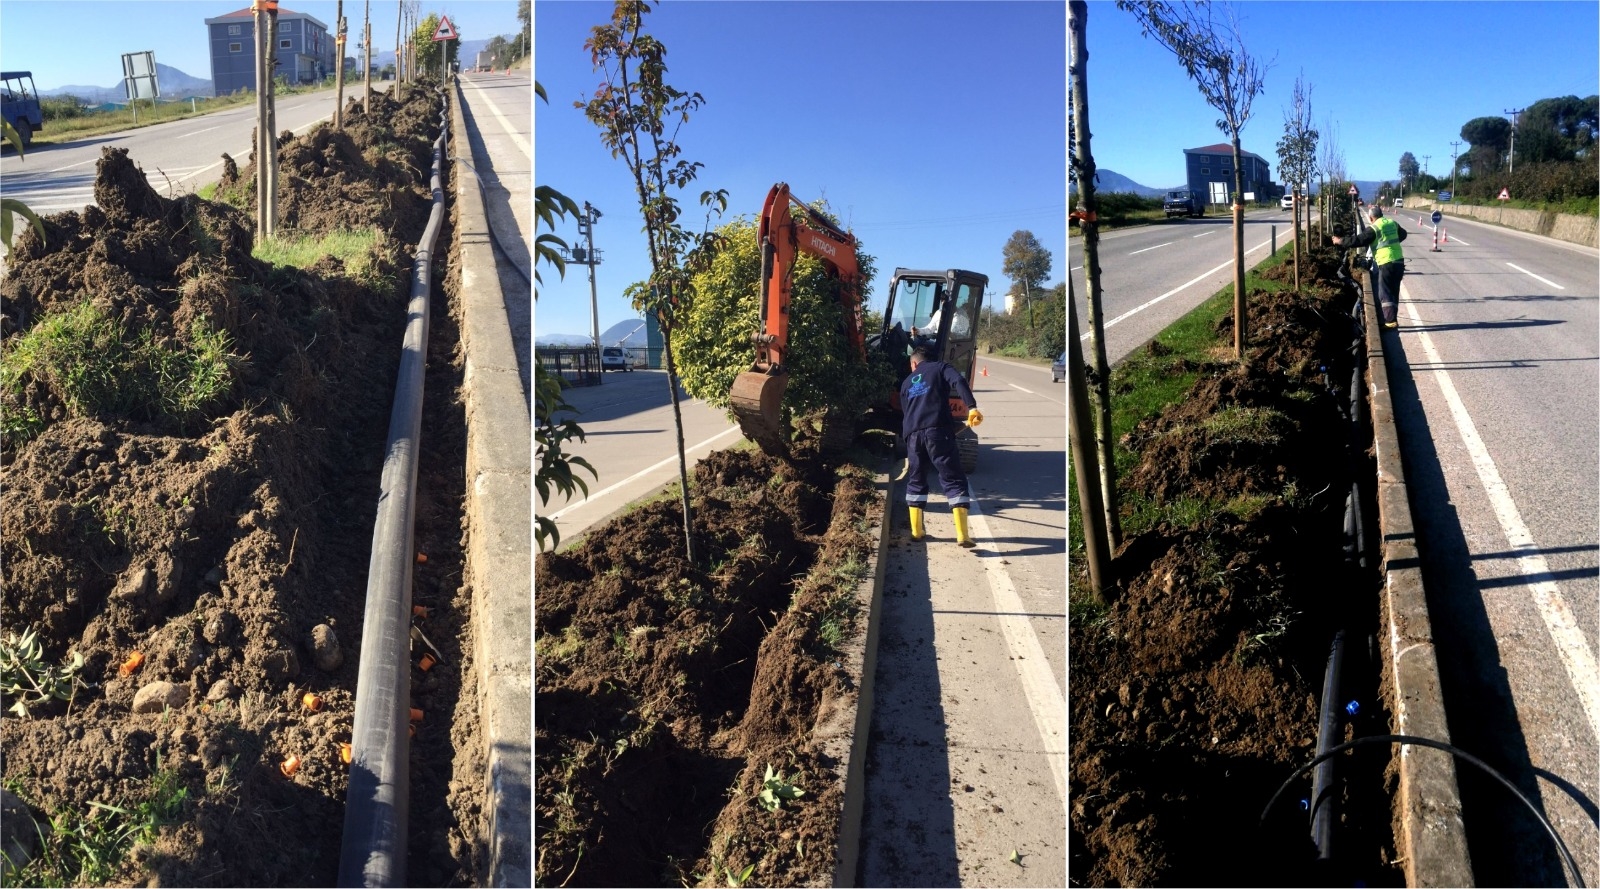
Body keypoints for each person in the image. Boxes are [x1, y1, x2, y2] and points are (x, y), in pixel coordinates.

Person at [900, 347, 983, 547]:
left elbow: (907, 412)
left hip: (912, 436)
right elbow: (958, 381)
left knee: (916, 479)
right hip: (938, 431)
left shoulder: (905, 383)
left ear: (913, 364)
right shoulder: (940, 367)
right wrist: (971, 407)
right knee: (953, 477)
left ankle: (917, 531)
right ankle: (962, 535)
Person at [1332, 203, 1407, 329]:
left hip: (1386, 262)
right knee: (1394, 290)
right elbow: (1403, 234)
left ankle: (1390, 322)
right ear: (1381, 215)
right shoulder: (1392, 223)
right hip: (1399, 261)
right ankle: (1392, 319)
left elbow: (1357, 240)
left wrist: (1340, 241)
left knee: (1385, 293)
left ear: (1371, 218)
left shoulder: (1374, 228)